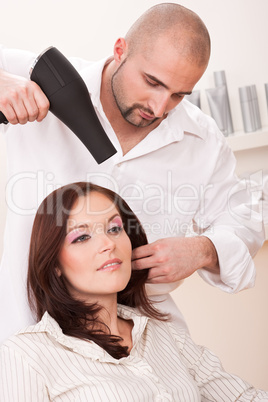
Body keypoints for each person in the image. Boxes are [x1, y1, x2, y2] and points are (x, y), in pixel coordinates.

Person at [0, 3, 264, 343]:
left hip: (144, 342)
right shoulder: (41, 77)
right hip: (29, 333)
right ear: (120, 50)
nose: (158, 108)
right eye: (152, 82)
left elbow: (245, 217)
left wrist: (204, 249)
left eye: (178, 95)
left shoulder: (201, 140)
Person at [0, 181, 267, 401]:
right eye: (81, 237)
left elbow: (244, 397)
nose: (108, 243)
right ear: (54, 264)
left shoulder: (165, 334)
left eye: (115, 229)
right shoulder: (25, 354)